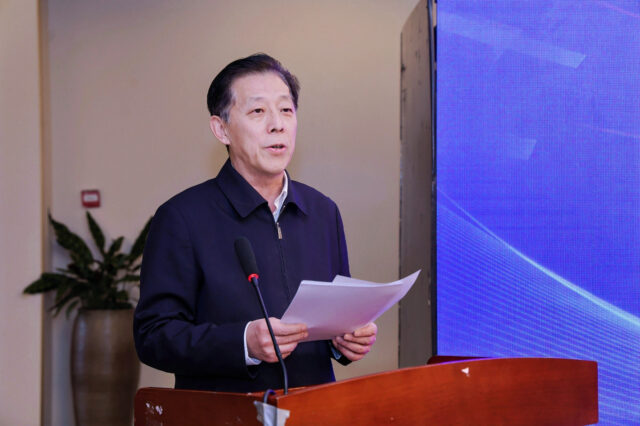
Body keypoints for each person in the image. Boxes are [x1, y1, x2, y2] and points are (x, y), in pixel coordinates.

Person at [134, 53, 377, 392]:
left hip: (314, 408)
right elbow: (153, 336)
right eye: (258, 111)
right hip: (226, 411)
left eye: (286, 110)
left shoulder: (323, 211)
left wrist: (345, 341)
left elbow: (336, 319)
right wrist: (243, 343)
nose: (277, 124)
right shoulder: (182, 217)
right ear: (221, 129)